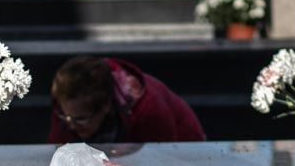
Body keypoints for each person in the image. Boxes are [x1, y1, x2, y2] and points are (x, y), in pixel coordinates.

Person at [47, 56, 206, 145]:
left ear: (105, 106)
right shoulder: (66, 105)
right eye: (64, 115)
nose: (70, 125)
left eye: (80, 118)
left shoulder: (149, 109)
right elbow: (58, 155)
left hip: (184, 149)